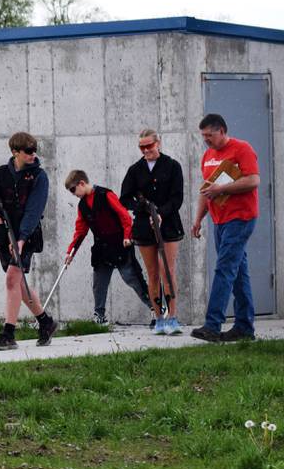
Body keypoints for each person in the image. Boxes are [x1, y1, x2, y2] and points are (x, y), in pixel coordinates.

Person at [0, 132, 58, 350]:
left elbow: (34, 211)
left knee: (11, 279)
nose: (33, 155)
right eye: (28, 151)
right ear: (15, 152)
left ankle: (8, 334)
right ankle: (46, 322)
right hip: (4, 232)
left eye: (35, 150)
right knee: (17, 283)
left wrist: (21, 239)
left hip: (27, 233)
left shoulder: (39, 177)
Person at [190, 113, 261, 343]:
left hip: (240, 218)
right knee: (239, 273)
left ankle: (212, 324)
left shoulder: (241, 149)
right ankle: (244, 327)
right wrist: (198, 219)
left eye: (209, 135)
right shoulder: (208, 156)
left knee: (224, 269)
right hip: (219, 221)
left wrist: (223, 190)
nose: (206, 140)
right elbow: (206, 190)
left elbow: (253, 180)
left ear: (221, 130)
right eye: (203, 136)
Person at [62, 169, 153, 325]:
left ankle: (156, 309)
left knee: (132, 278)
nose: (73, 194)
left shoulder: (105, 195)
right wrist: (71, 252)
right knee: (99, 282)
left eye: (73, 189)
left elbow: (124, 215)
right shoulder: (82, 205)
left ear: (81, 183)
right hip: (101, 248)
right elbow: (80, 231)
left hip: (120, 244)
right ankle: (99, 316)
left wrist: (127, 236)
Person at [119, 129, 185, 335]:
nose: (146, 150)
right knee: (153, 274)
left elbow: (177, 198)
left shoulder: (172, 166)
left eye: (149, 146)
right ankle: (159, 318)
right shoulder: (135, 170)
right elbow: (125, 199)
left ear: (158, 143)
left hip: (169, 224)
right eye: (142, 147)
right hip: (144, 226)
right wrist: (144, 209)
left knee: (168, 270)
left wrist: (161, 213)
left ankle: (172, 317)